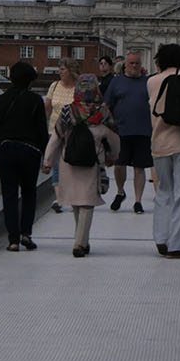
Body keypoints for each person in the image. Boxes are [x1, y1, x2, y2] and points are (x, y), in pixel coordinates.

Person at [42, 74, 120, 257]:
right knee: (87, 203)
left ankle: (80, 240)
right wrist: (113, 156)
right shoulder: (103, 113)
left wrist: (47, 161)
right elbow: (114, 138)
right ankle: (80, 242)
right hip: (92, 161)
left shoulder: (68, 111)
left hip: (68, 161)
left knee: (76, 202)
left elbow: (56, 137)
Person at [147, 42, 180, 259]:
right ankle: (175, 244)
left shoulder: (151, 81)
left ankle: (161, 237)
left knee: (164, 191)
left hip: (160, 142)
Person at [0, 60, 48, 251]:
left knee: (9, 195)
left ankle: (13, 240)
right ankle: (26, 234)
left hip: (5, 150)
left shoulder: (1, 100)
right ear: (30, 81)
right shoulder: (36, 101)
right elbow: (41, 131)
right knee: (29, 193)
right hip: (29, 152)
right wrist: (45, 156)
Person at [104, 49, 152, 211]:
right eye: (131, 63)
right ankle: (120, 191)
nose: (134, 66)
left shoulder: (147, 82)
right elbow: (106, 105)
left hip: (143, 131)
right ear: (125, 65)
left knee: (140, 168)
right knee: (120, 165)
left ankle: (138, 201)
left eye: (137, 63)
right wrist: (111, 123)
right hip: (121, 131)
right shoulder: (116, 82)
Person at [43, 58, 80, 213]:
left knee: (72, 165)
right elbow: (47, 108)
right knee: (56, 164)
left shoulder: (78, 88)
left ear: (71, 71)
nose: (60, 72)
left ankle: (72, 198)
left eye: (63, 69)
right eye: (60, 69)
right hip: (54, 130)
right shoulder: (54, 85)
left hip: (73, 131)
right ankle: (59, 199)